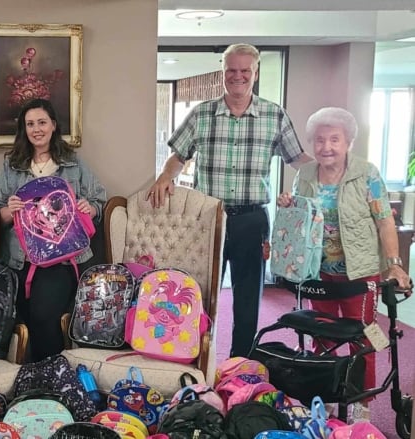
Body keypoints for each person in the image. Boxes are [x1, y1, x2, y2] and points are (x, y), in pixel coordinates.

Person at [148, 43, 313, 359]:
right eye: (231, 71)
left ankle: (240, 363)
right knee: (199, 292)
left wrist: (329, 171)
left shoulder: (273, 115)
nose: (237, 77)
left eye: (244, 71)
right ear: (223, 72)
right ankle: (195, 358)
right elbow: (178, 156)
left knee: (248, 298)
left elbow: (298, 160)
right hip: (209, 216)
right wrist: (165, 177)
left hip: (252, 220)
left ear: (255, 72)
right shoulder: (201, 114)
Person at [277, 107, 411, 422]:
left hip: (360, 271)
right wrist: (288, 204)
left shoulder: (367, 173)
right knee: (321, 335)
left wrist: (394, 264)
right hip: (319, 271)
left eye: (334, 139)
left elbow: (384, 221)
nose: (326, 147)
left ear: (348, 140)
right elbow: (301, 219)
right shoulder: (306, 174)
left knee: (362, 337)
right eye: (320, 140)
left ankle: (360, 404)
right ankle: (325, 394)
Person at [0, 98, 106, 362]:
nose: (36, 129)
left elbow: (99, 200)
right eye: (30, 124)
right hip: (21, 259)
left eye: (42, 122)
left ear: (53, 125)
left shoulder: (73, 164)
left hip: (62, 259)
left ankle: (50, 375)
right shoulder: (12, 166)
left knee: (44, 316)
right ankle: (27, 378)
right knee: (21, 320)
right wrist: (11, 210)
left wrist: (90, 207)